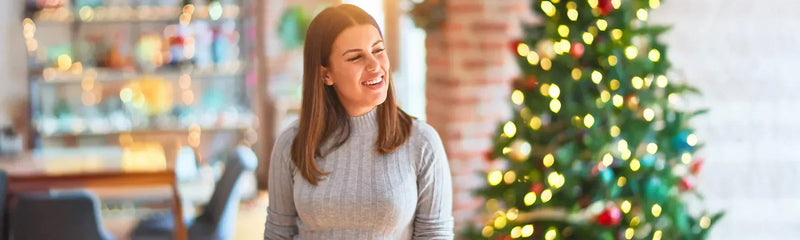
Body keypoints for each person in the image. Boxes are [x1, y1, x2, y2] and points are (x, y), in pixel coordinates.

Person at [264, 4, 454, 240]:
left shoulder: (422, 142)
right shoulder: (292, 142)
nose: (375, 66)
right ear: (326, 74)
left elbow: (434, 233)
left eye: (378, 50)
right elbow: (278, 232)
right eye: (355, 57)